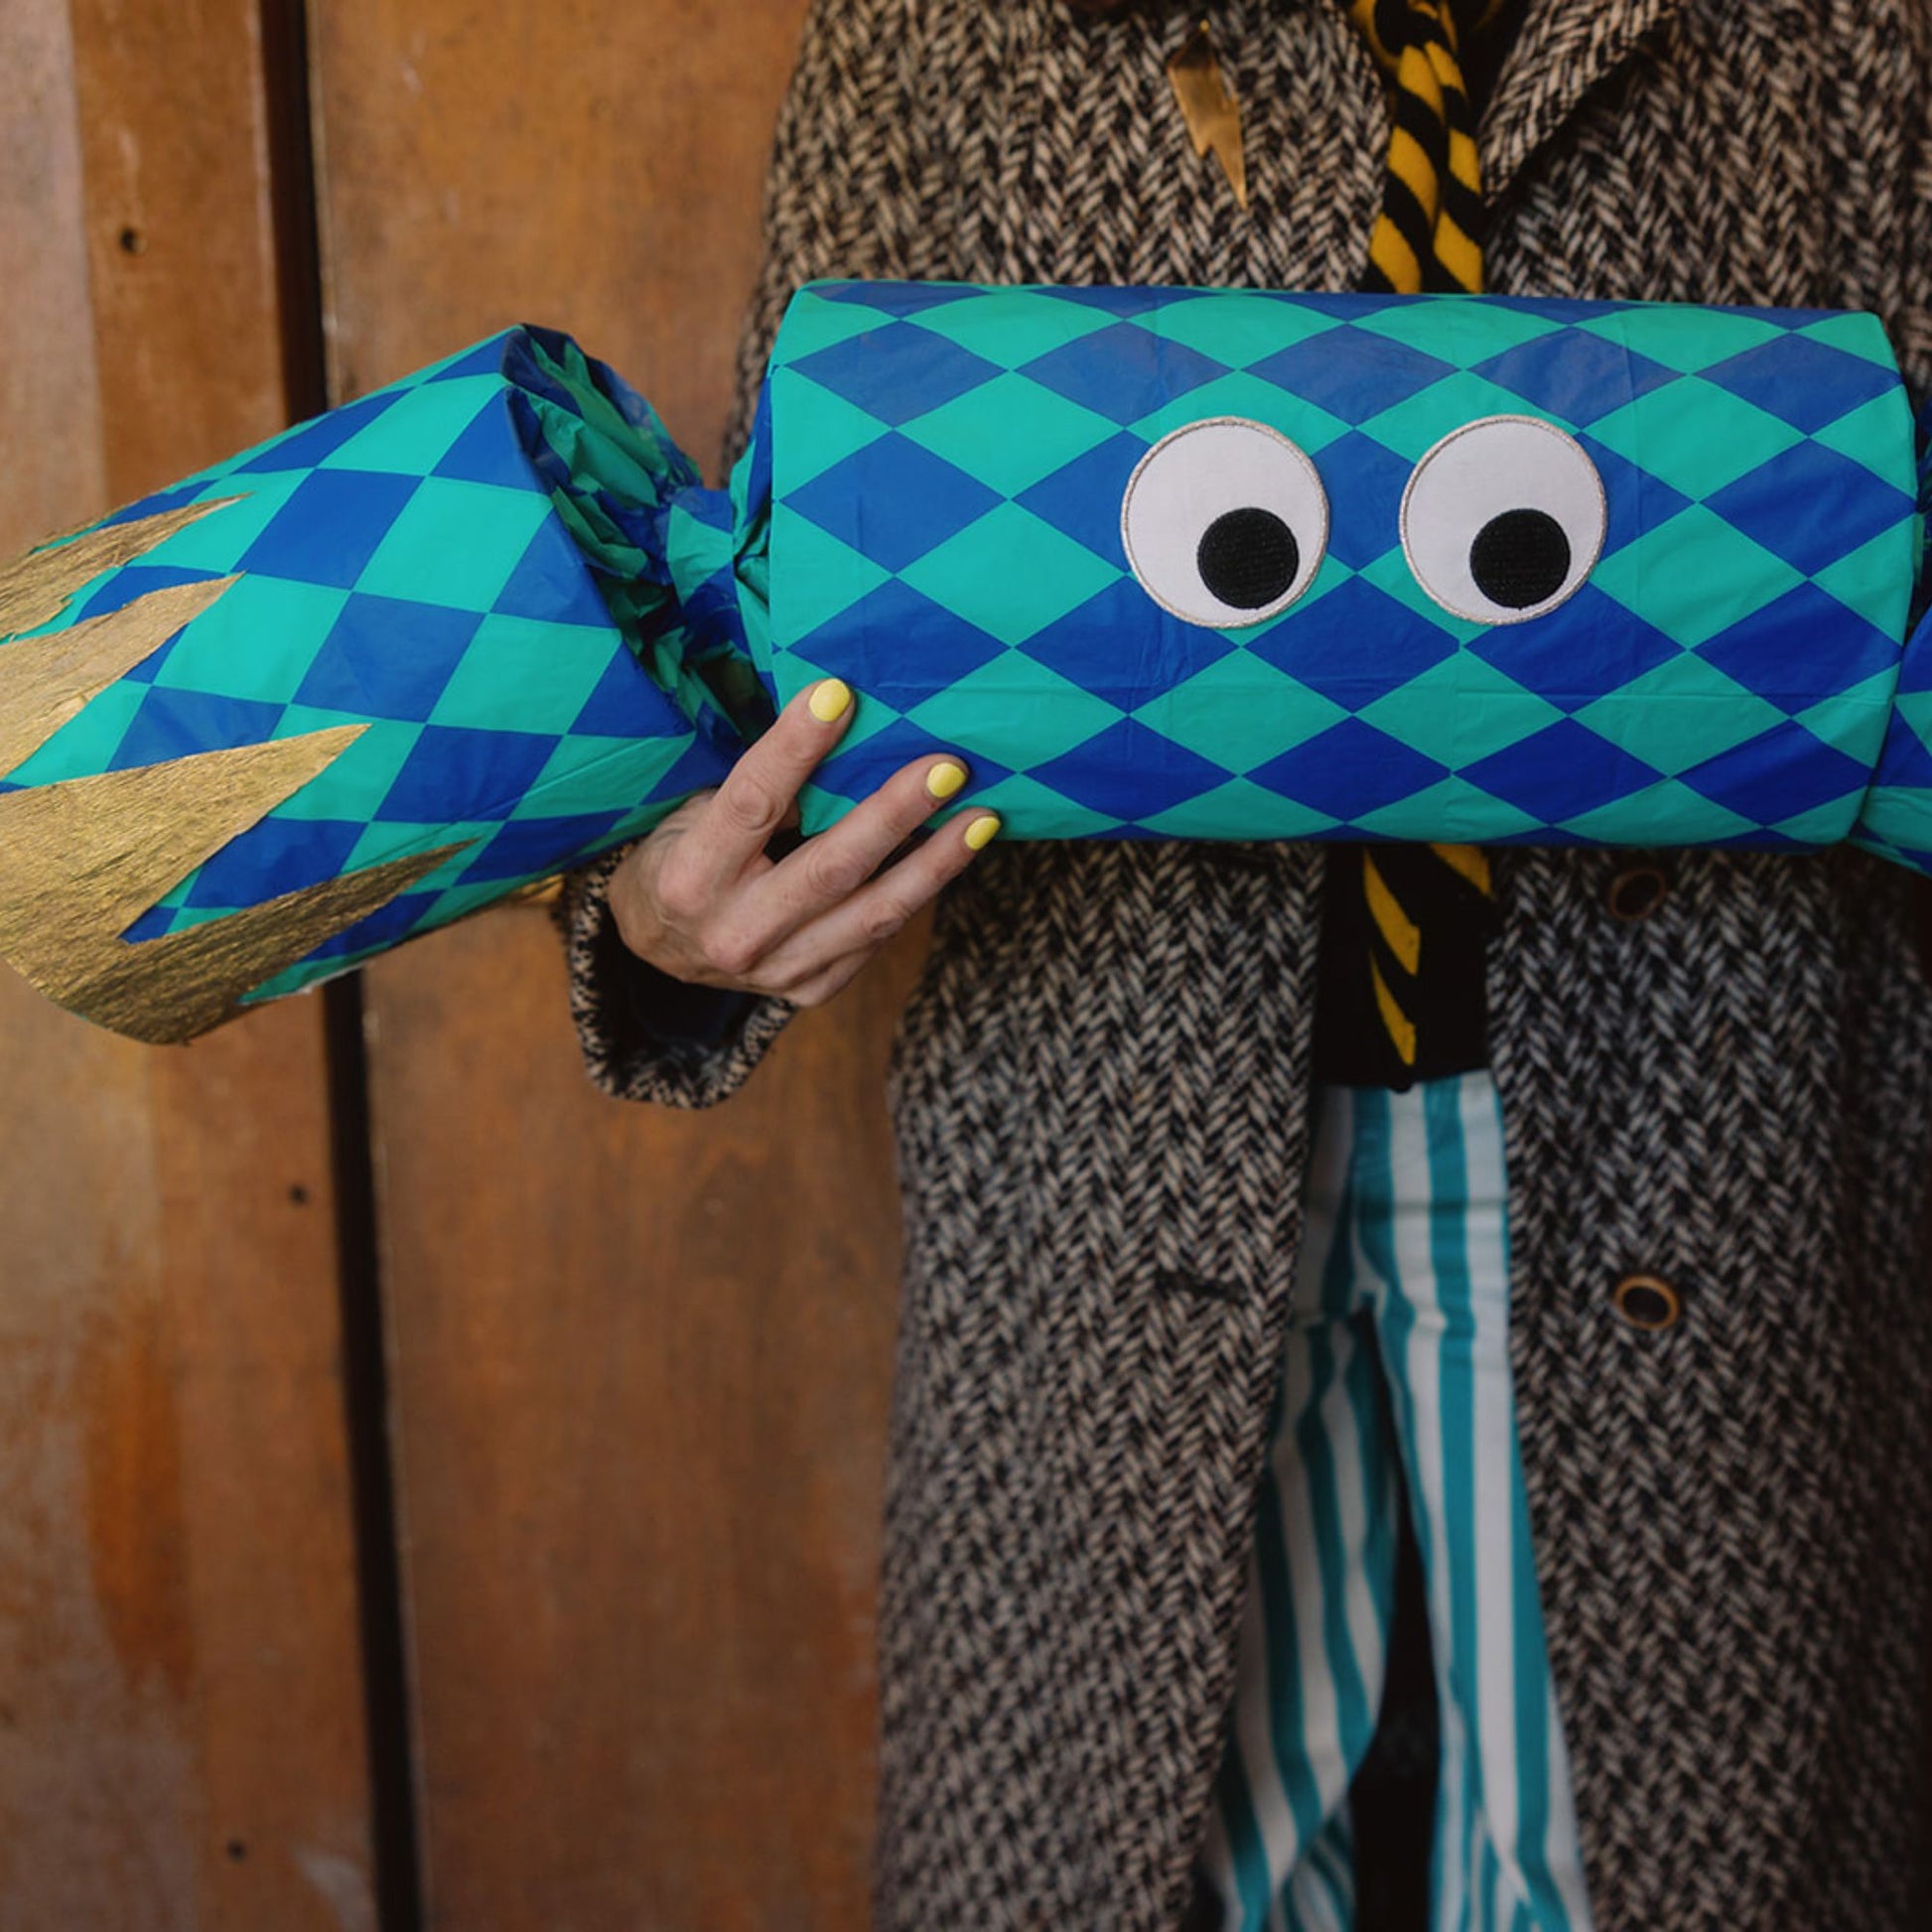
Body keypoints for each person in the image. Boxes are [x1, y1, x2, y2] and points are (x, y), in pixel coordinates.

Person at [559, 2, 1932, 1927]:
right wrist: (666, 923)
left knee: (1657, 1863)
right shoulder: (952, 25)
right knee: (1153, 1865)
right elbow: (775, 635)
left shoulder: (1851, 37)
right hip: (1107, 1165)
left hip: (1716, 1145)